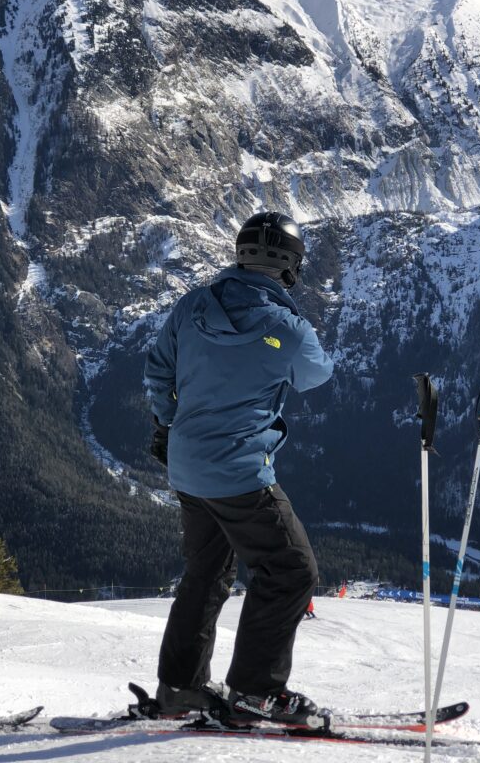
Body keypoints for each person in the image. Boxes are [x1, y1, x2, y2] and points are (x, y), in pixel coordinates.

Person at [144, 211, 333, 726]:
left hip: (185, 467)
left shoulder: (192, 305)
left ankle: (179, 687)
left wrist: (168, 424)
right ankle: (256, 691)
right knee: (291, 571)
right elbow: (317, 374)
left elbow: (158, 367)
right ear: (292, 267)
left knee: (206, 571)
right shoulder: (288, 330)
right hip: (240, 474)